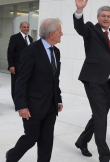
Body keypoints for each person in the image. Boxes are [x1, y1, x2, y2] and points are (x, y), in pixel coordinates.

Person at [5, 18, 63, 162]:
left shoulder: (56, 52)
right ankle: (11, 157)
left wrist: (59, 98)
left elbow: (54, 79)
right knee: (31, 138)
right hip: (33, 105)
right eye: (59, 31)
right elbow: (22, 79)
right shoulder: (31, 50)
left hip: (50, 105)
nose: (62, 34)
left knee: (47, 140)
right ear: (51, 34)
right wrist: (21, 106)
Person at [73, 0, 110, 162]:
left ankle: (82, 141)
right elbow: (80, 28)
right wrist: (79, 10)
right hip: (93, 80)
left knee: (99, 115)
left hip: (109, 82)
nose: (106, 18)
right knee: (101, 117)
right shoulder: (91, 29)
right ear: (98, 17)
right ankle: (104, 156)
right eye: (103, 16)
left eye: (109, 16)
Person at [7, 21, 33, 101]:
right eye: (24, 27)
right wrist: (11, 65)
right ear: (20, 28)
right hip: (17, 66)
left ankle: (24, 100)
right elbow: (10, 52)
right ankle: (16, 101)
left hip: (28, 67)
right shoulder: (15, 37)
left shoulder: (30, 39)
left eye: (27, 27)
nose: (26, 29)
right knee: (16, 84)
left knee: (26, 84)